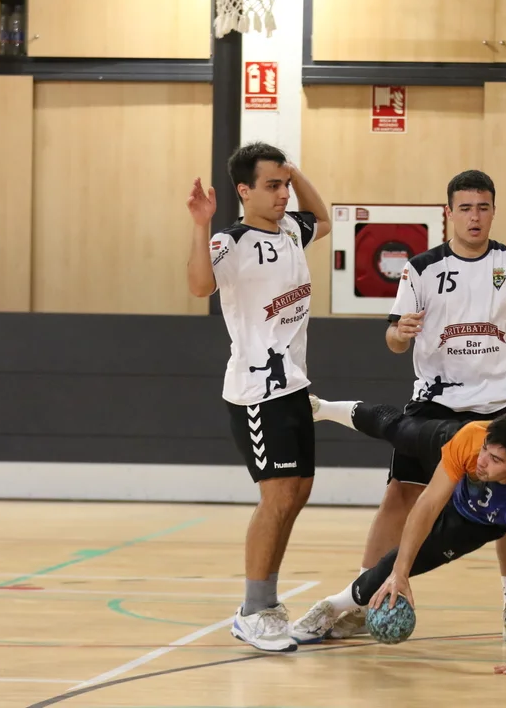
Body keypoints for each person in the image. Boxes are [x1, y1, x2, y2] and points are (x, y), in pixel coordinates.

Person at [325, 169, 506, 646]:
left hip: (498, 407)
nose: (474, 217)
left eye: (483, 207)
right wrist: (399, 333)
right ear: (449, 213)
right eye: (465, 208)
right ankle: (364, 597)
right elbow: (393, 339)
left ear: (494, 211)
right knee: (401, 495)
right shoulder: (420, 269)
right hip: (434, 404)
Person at [185, 141, 331, 652]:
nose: (284, 194)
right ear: (244, 191)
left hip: (294, 384)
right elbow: (199, 286)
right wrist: (201, 224)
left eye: (285, 185)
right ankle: (253, 610)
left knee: (298, 491)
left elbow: (323, 219)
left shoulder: (291, 229)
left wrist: (296, 170)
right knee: (277, 496)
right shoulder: (230, 241)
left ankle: (267, 604)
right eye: (272, 186)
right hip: (256, 392)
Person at [290, 399, 506, 676]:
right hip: (461, 487)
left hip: (477, 521)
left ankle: (331, 605)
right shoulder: (472, 438)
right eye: (486, 449)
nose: (482, 461)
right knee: (401, 431)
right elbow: (428, 505)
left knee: (402, 562)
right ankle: (324, 408)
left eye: (495, 460)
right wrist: (399, 573)